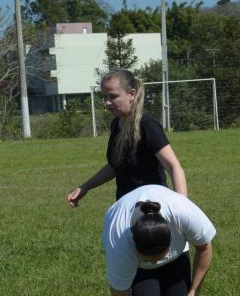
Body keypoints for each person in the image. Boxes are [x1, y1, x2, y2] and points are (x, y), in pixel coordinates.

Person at [67, 69, 187, 207]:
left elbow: (173, 166)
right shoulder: (116, 125)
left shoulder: (147, 125)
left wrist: (183, 207)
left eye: (113, 96)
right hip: (125, 206)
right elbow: (115, 166)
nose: (107, 102)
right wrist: (85, 187)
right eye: (105, 97)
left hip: (152, 208)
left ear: (131, 94)